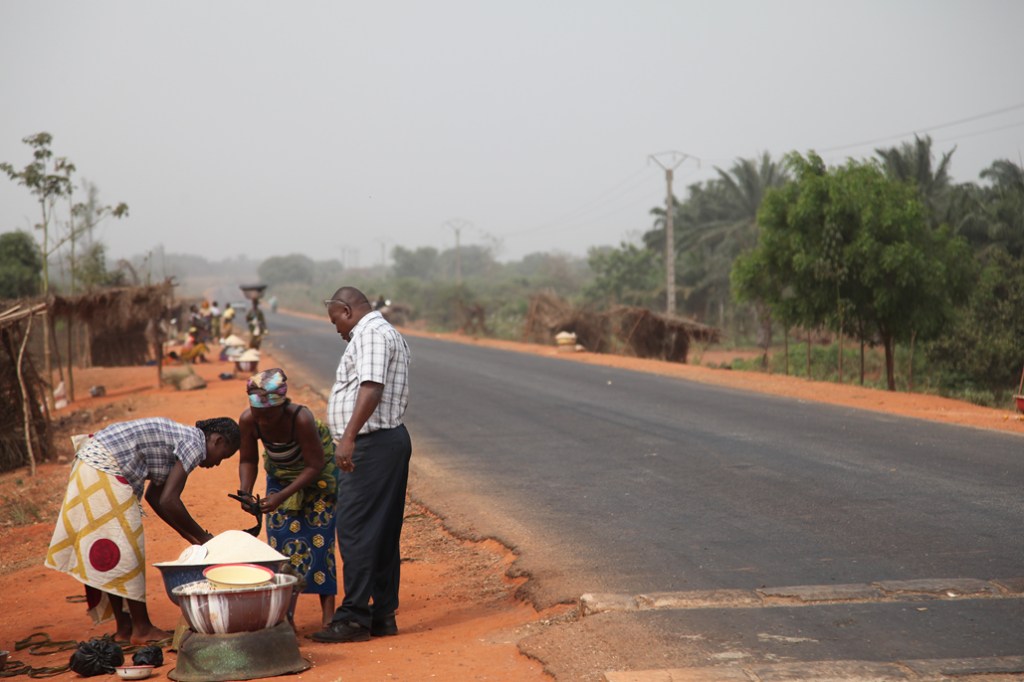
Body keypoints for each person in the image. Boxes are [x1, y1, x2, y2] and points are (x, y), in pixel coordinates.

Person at [45, 417, 241, 644]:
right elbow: (170, 501)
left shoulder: (181, 439)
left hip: (92, 462)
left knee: (114, 552)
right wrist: (205, 537)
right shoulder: (194, 443)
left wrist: (190, 537)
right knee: (128, 551)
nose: (218, 464)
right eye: (224, 456)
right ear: (216, 440)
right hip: (105, 465)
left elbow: (155, 498)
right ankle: (142, 628)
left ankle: (125, 629)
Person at [312, 286, 411, 644]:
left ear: (346, 310)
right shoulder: (388, 332)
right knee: (382, 531)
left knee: (355, 530)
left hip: (371, 445)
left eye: (336, 320)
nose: (338, 329)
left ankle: (354, 617)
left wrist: (349, 437)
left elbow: (371, 386)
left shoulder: (369, 334)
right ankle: (382, 614)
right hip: (387, 442)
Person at [237, 368, 340, 628]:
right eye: (259, 414)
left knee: (321, 540)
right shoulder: (249, 420)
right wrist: (245, 491)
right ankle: (287, 616)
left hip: (316, 479)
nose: (265, 420)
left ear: (282, 406)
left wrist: (281, 496)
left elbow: (314, 465)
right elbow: (248, 459)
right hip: (280, 477)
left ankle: (328, 615)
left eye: (269, 414)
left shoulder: (301, 419)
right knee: (282, 546)